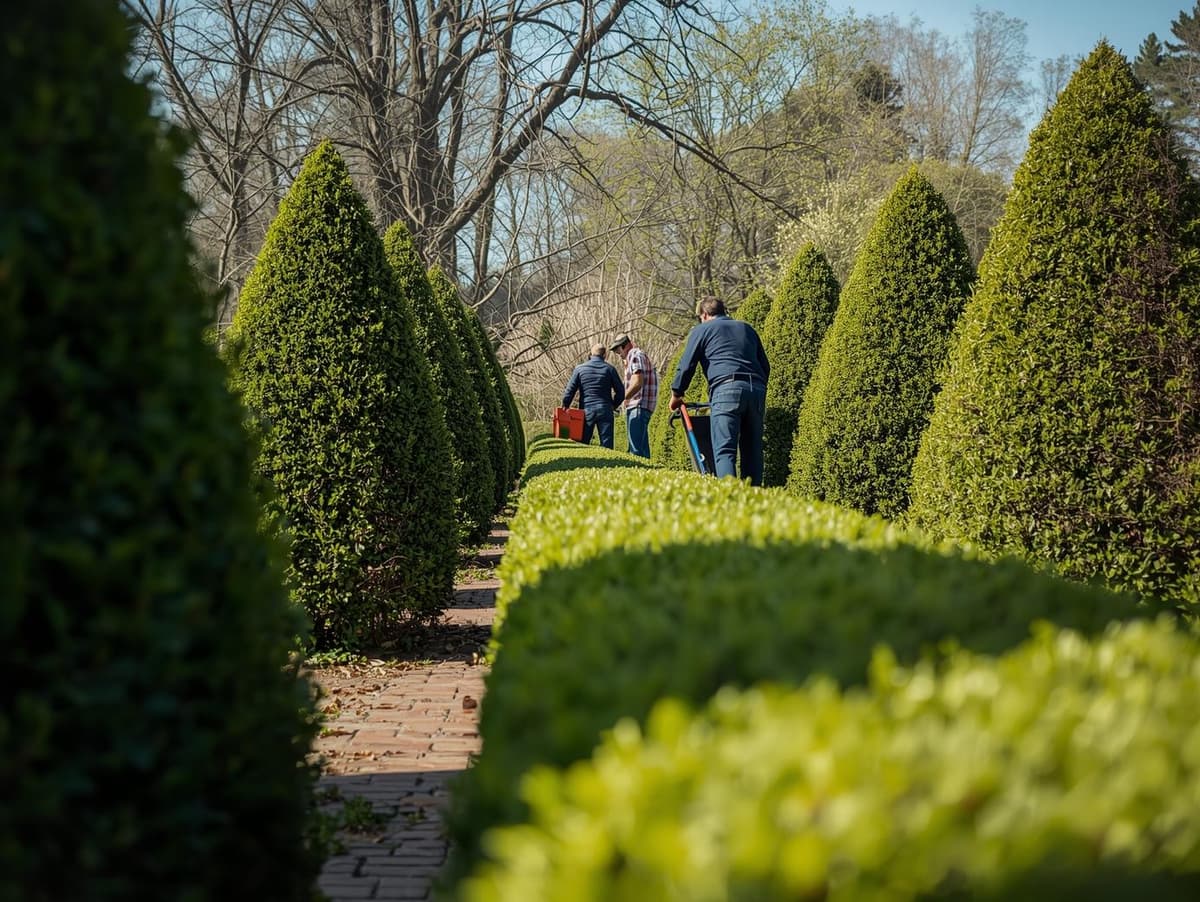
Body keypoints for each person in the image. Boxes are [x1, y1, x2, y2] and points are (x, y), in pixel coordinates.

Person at [668, 296, 770, 485]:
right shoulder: (747, 328)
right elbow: (765, 366)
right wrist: (757, 389)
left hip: (726, 389)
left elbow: (686, 365)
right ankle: (755, 500)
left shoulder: (703, 330)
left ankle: (730, 500)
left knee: (724, 450)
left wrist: (677, 394)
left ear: (705, 315)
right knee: (753, 450)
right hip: (756, 389)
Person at [562, 343, 625, 449]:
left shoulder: (579, 369)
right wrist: (613, 405)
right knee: (607, 446)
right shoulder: (610, 369)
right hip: (605, 409)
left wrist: (565, 406)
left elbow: (570, 390)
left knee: (582, 445)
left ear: (591, 354)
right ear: (605, 355)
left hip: (586, 411)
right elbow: (621, 392)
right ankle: (609, 464)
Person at [610, 334, 658, 458]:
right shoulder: (634, 357)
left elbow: (638, 382)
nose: (618, 353)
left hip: (638, 406)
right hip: (640, 407)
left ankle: (640, 476)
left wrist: (621, 398)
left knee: (635, 452)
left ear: (625, 346)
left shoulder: (635, 356)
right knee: (642, 450)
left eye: (617, 350)